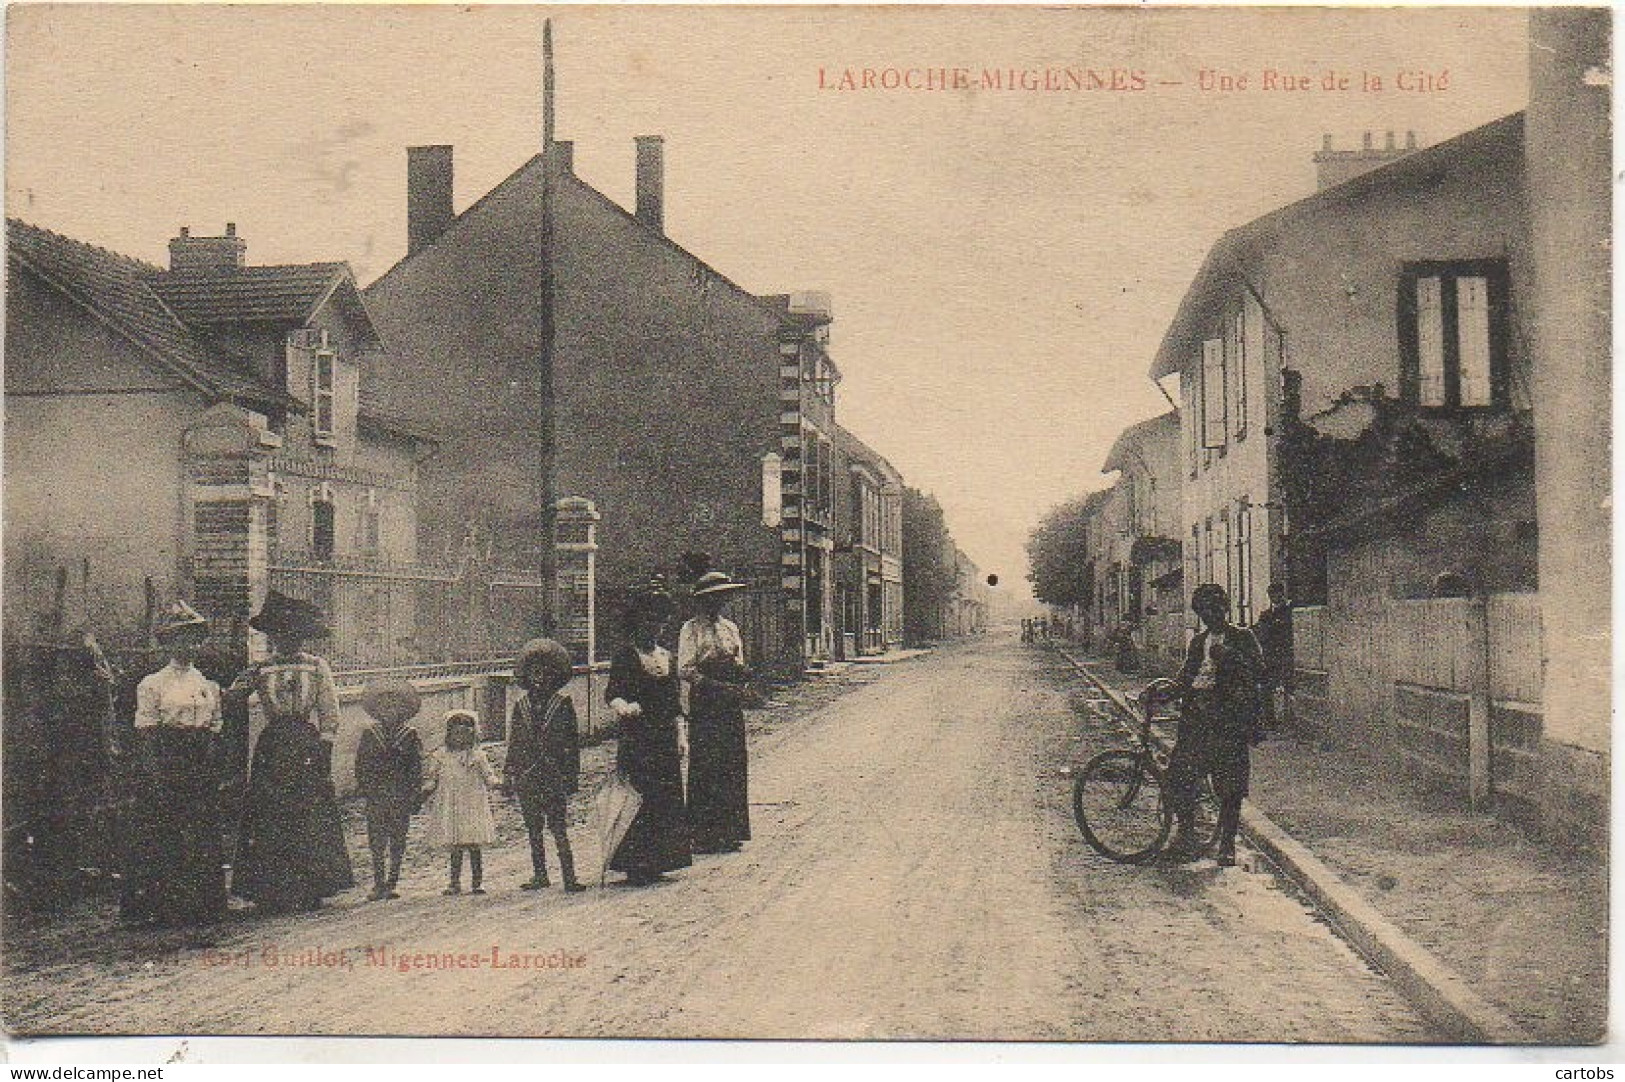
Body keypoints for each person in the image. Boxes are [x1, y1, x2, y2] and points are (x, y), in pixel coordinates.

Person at [231, 591, 354, 912]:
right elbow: (233, 699)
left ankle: (309, 885)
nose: (286, 640)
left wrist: (324, 747)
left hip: (305, 743)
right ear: (271, 635)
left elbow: (330, 711)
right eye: (279, 634)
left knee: (306, 811)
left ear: (302, 636)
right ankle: (270, 888)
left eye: (293, 634)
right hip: (273, 745)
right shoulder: (261, 669)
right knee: (270, 814)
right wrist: (237, 686)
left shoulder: (316, 667)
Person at [122, 601, 227, 926]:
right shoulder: (153, 684)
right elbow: (147, 733)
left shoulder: (206, 684)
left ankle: (201, 905)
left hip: (199, 761)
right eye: (182, 639)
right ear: (169, 643)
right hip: (167, 760)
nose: (190, 646)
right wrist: (155, 774)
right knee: (166, 831)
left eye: (195, 639)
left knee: (200, 830)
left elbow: (215, 726)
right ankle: (163, 907)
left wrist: (211, 764)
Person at [1165, 583, 1266, 868]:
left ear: (1225, 608)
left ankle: (1227, 846)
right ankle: (1186, 835)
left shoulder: (1242, 637)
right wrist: (1164, 692)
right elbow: (1186, 676)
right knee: (1180, 778)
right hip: (1196, 718)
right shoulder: (1199, 641)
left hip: (1228, 721)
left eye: (1215, 609)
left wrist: (1231, 658)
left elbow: (1260, 670)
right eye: (1204, 612)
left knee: (1230, 787)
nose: (1211, 615)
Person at [604, 586, 692, 886]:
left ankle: (661, 859)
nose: (654, 628)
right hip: (637, 737)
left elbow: (675, 704)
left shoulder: (667, 657)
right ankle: (635, 863)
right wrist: (624, 707)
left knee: (663, 796)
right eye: (649, 622)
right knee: (637, 796)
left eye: (660, 623)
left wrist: (681, 735)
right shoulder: (626, 656)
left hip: (663, 738)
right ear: (637, 623)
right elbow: (612, 694)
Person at [678, 571, 753, 854]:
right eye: (711, 599)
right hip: (706, 701)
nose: (717, 603)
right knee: (707, 764)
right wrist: (711, 684)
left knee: (732, 762)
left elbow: (738, 661)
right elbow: (684, 668)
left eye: (721, 598)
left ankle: (730, 831)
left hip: (729, 702)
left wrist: (742, 675)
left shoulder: (730, 628)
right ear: (701, 601)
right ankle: (705, 834)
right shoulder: (690, 630)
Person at [502, 639, 585, 893]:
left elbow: (572, 743)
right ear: (526, 676)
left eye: (546, 673)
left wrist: (571, 776)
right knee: (533, 827)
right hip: (528, 775)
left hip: (554, 775)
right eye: (535, 672)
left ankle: (569, 877)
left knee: (558, 826)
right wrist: (509, 774)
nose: (540, 678)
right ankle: (540, 874)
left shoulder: (563, 705)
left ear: (555, 676)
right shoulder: (521, 706)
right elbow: (514, 743)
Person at [355, 679, 425, 901]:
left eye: (394, 706)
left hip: (400, 795)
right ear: (376, 711)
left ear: (403, 711)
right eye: (384, 707)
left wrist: (415, 794)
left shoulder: (410, 735)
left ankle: (392, 881)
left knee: (397, 839)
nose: (389, 711)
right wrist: (366, 788)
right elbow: (361, 764)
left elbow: (416, 766)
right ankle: (378, 882)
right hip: (377, 796)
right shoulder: (369, 734)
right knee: (376, 840)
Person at [425, 710, 499, 895]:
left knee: (474, 844)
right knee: (455, 844)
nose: (461, 738)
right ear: (449, 734)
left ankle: (477, 882)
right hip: (452, 804)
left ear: (472, 735)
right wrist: (426, 788)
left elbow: (488, 776)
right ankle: (454, 882)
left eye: (466, 733)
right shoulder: (441, 756)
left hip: (472, 803)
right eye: (457, 733)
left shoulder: (478, 756)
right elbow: (432, 778)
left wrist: (498, 784)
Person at [1251, 582, 1295, 734]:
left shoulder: (1290, 611)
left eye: (1277, 594)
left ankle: (1290, 722)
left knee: (1288, 688)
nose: (1275, 598)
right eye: (1272, 595)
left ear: (1282, 594)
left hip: (1286, 657)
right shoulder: (1265, 615)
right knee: (1266, 688)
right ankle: (1270, 722)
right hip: (1270, 657)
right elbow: (1259, 632)